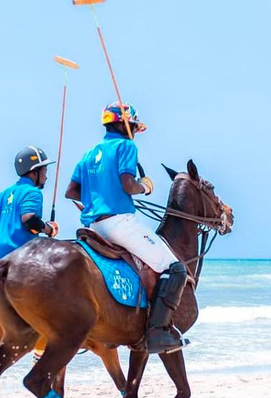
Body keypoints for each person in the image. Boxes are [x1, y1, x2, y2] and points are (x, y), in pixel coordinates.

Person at [64, 102, 189, 354]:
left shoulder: (88, 154)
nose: (133, 131)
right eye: (132, 125)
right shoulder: (126, 146)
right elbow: (128, 185)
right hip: (119, 223)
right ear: (122, 123)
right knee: (175, 268)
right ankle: (158, 332)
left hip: (93, 227)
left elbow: (71, 192)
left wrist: (94, 200)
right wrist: (145, 186)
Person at [0, 146, 59, 260]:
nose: (46, 177)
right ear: (35, 172)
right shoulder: (32, 191)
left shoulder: (3, 195)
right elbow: (29, 220)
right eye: (45, 171)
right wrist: (50, 229)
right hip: (22, 256)